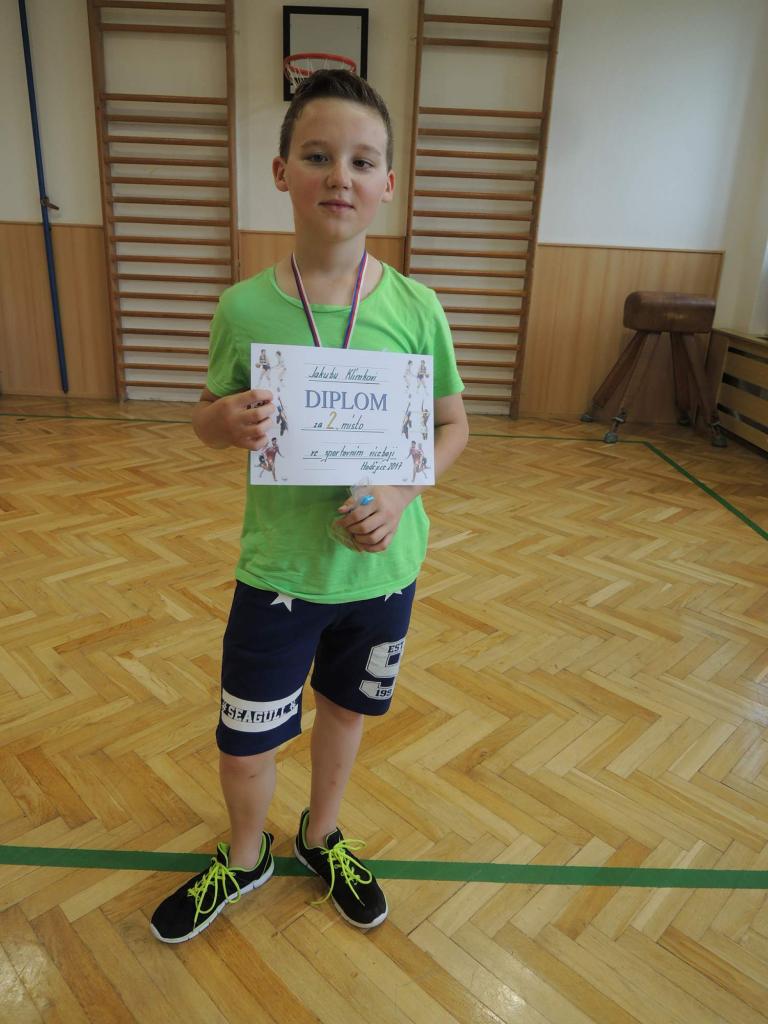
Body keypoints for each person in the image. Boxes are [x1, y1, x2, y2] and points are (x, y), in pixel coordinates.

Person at [150, 69, 467, 944]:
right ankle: (245, 854)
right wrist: (223, 421)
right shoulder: (244, 307)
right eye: (318, 155)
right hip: (280, 572)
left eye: (362, 161)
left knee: (346, 714)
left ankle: (321, 835)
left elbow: (453, 426)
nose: (340, 176)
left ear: (388, 183)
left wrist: (402, 492)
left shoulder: (417, 309)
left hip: (382, 570)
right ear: (282, 170)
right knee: (246, 740)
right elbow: (205, 418)